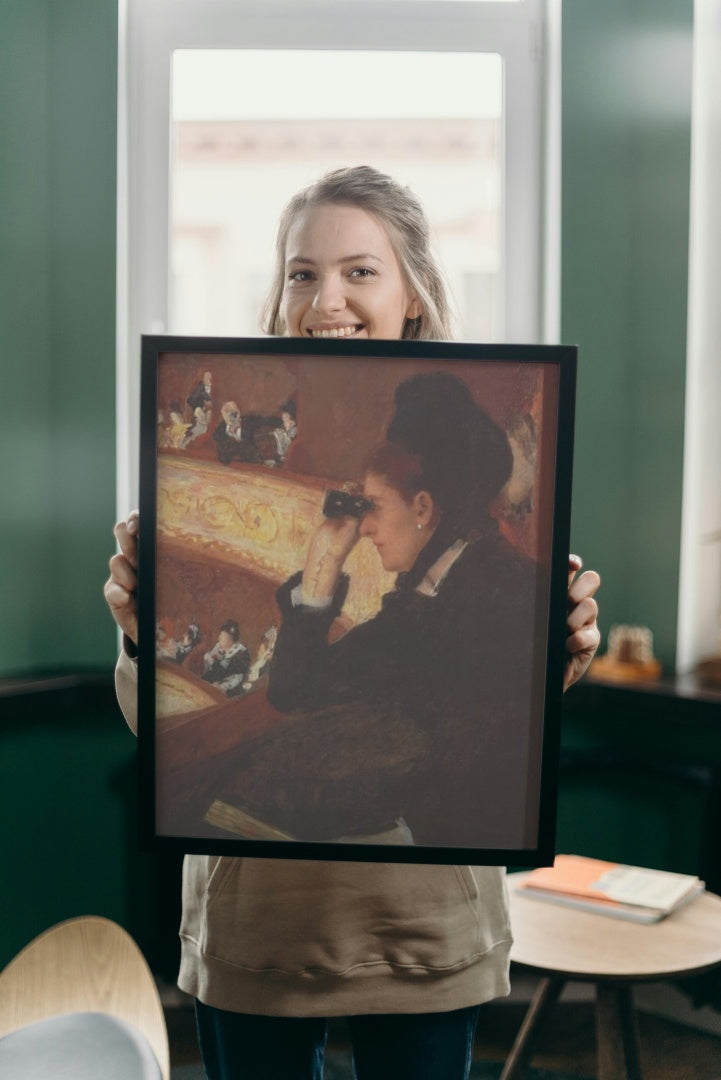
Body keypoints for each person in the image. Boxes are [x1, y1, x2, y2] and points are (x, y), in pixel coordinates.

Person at [105, 165, 601, 1080]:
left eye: (359, 271)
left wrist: (560, 655)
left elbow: (488, 731)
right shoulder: (413, 595)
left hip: (418, 929)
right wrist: (144, 629)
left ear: (412, 292)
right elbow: (266, 697)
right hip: (259, 925)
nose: (324, 297)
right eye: (301, 272)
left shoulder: (476, 584)